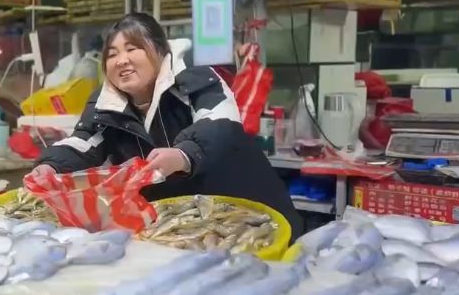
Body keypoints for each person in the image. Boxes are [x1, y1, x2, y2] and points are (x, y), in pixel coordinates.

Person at [32, 13, 303, 237]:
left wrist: (184, 155)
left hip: (247, 213)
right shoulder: (105, 105)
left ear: (160, 51)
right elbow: (85, 141)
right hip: (185, 225)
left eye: (132, 49)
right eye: (112, 54)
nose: (121, 60)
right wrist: (51, 165)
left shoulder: (198, 81)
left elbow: (220, 124)